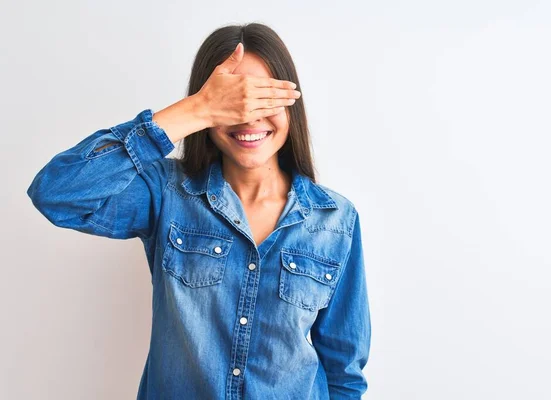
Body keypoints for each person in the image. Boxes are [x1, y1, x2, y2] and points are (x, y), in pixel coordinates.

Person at [27, 23, 371, 400]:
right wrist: (197, 109)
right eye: (233, 100)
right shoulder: (166, 193)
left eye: (262, 98)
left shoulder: (336, 220)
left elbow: (344, 373)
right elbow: (56, 193)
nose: (248, 117)